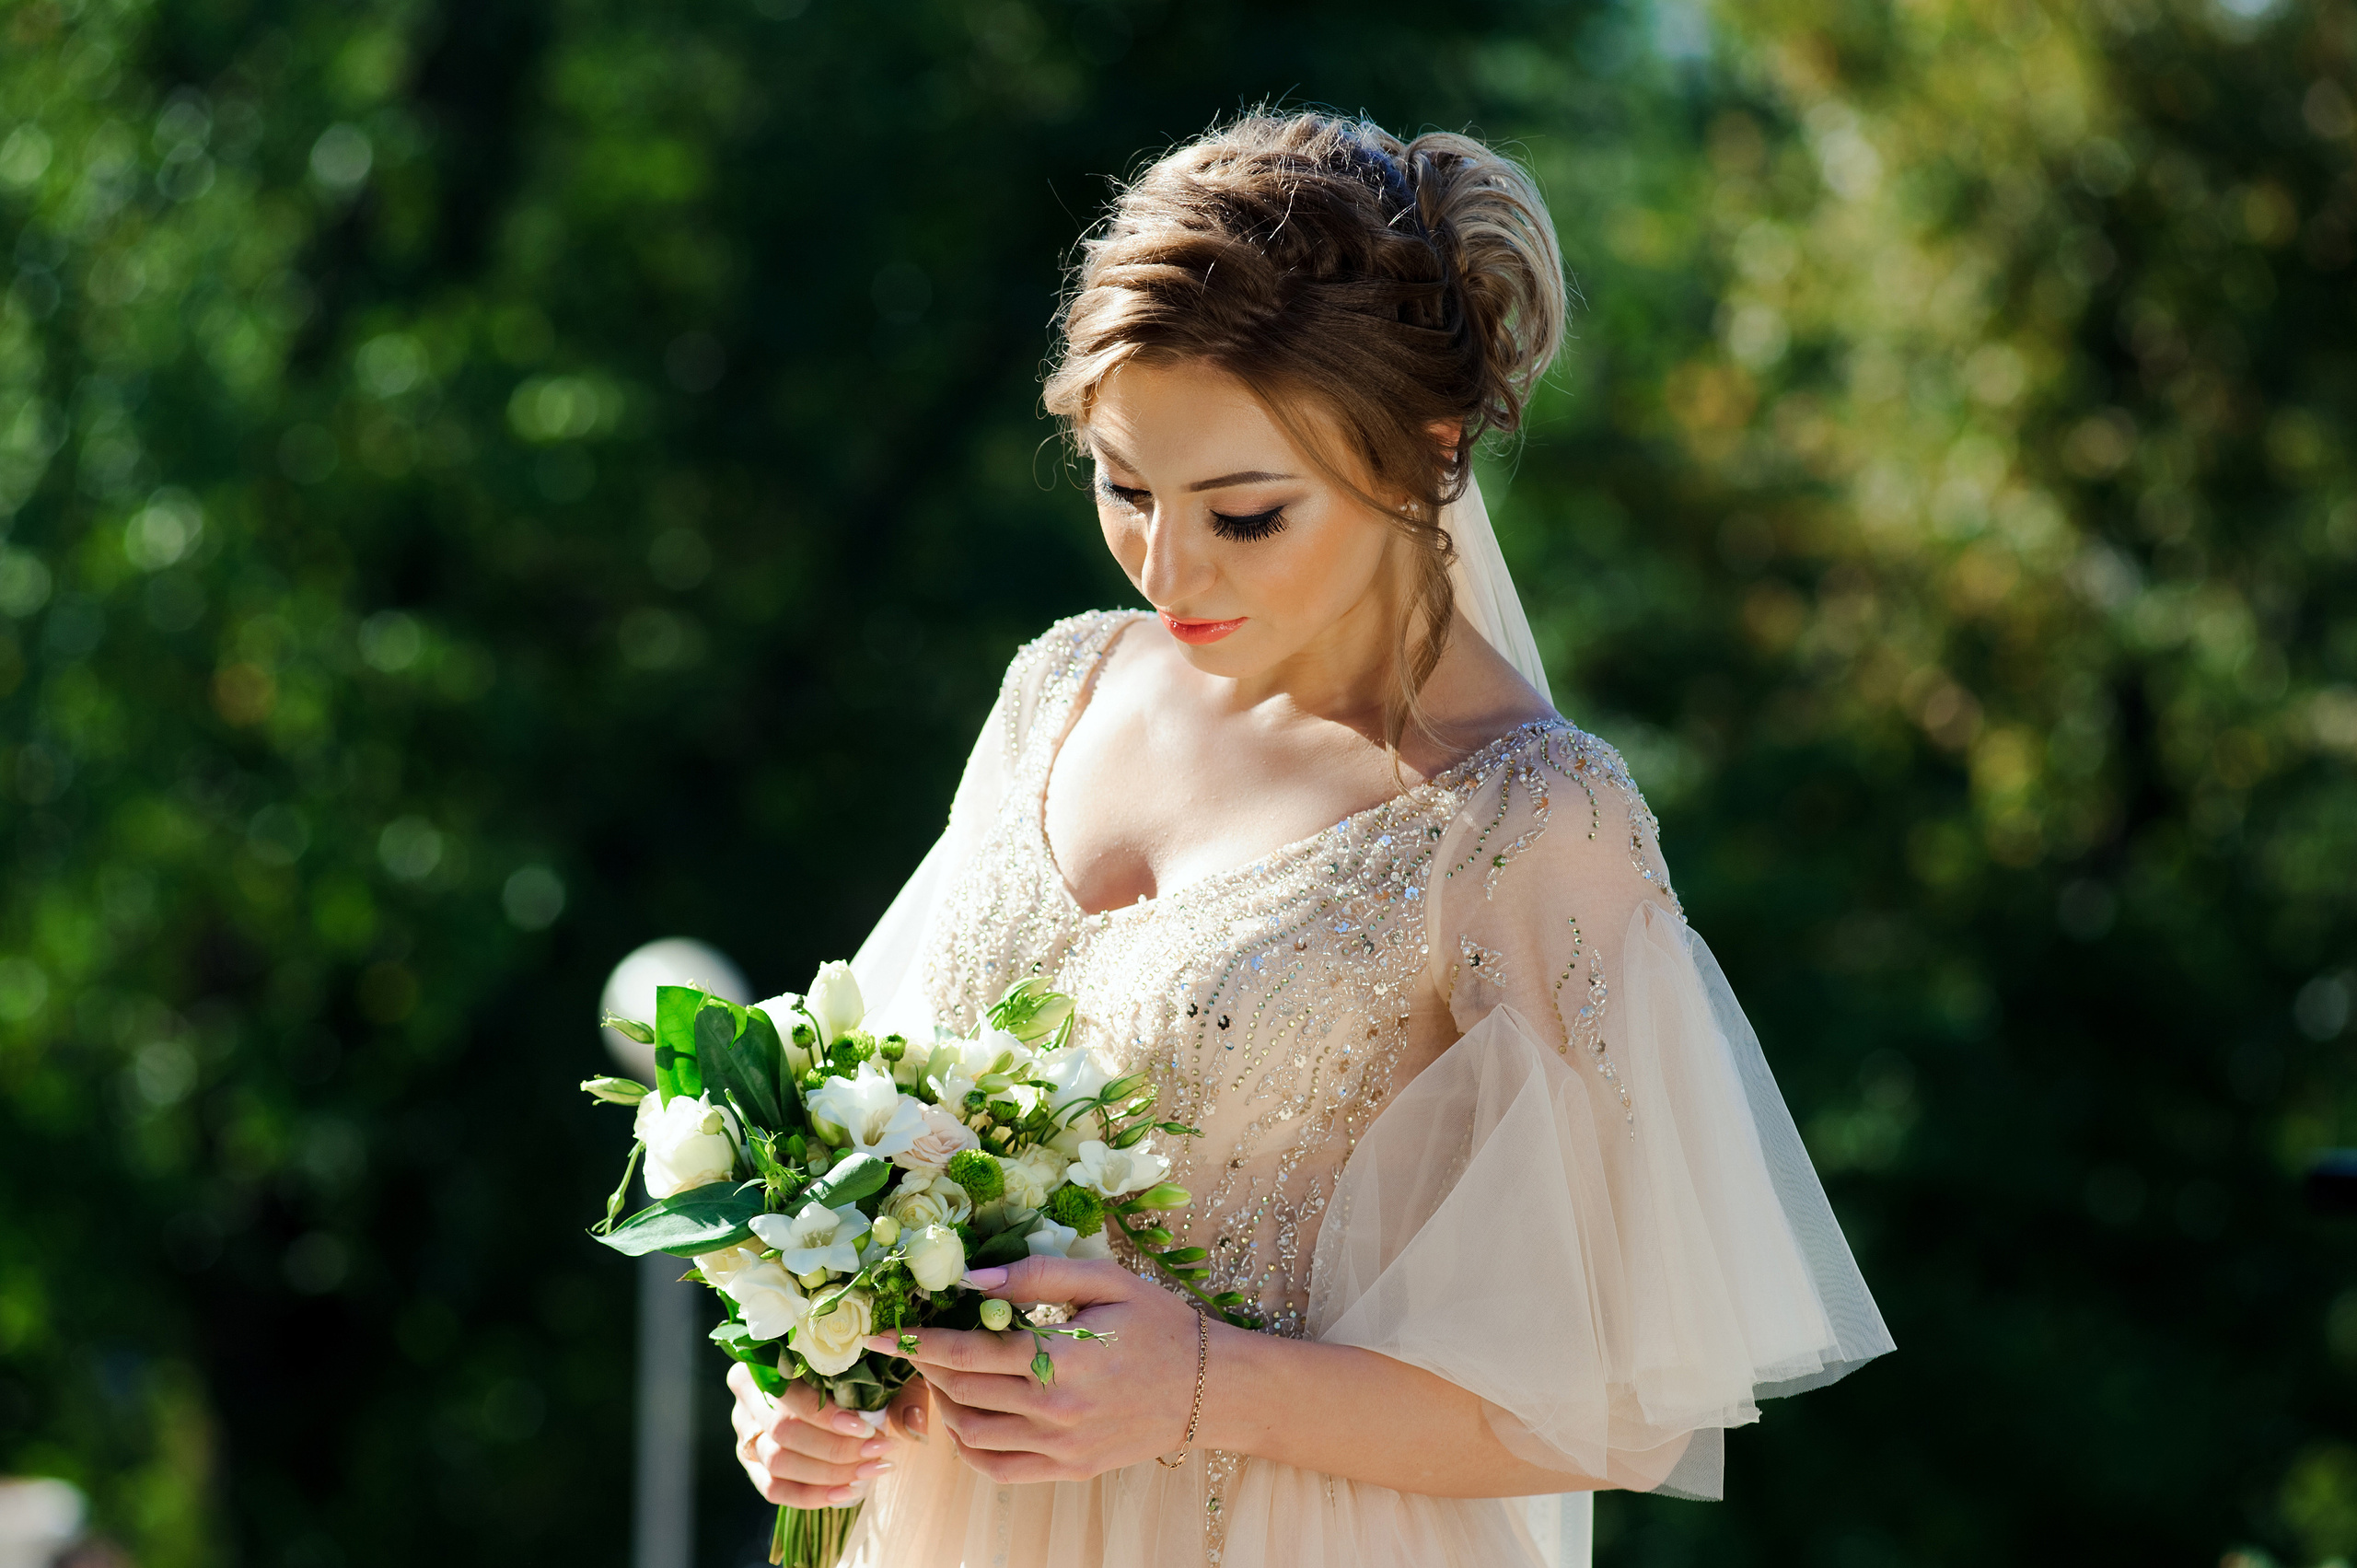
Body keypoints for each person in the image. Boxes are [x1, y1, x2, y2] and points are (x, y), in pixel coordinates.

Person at [726, 110, 1892, 1568]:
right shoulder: (1056, 691)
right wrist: (817, 1385)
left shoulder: (1528, 821)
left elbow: (1620, 1405)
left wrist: (1203, 1386)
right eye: (1124, 488)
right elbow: (891, 1140)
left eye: (1248, 513)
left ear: (1425, 449)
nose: (1169, 567)